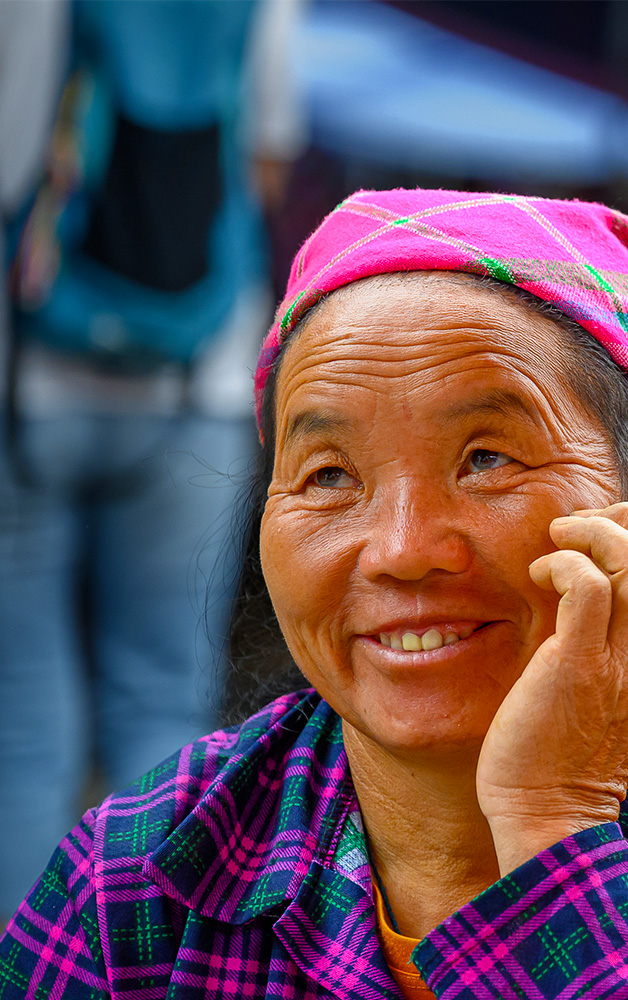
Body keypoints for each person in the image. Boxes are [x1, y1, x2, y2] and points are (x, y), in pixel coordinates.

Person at [1, 189, 628, 996]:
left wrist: (552, 819)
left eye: (487, 458)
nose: (403, 551)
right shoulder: (150, 863)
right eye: (329, 474)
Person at [0, 0, 304, 916]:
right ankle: (150, 965)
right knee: (166, 704)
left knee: (19, 731)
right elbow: (267, 156)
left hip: (26, 383)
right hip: (198, 377)